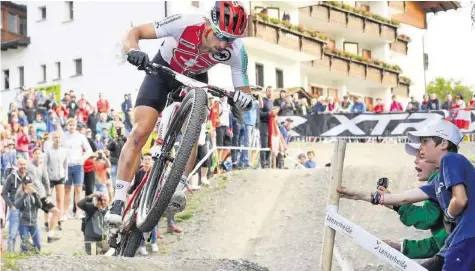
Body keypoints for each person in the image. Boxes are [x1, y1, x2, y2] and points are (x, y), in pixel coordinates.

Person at [106, 1, 253, 224]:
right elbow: (134, 32)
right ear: (208, 25)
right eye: (220, 36)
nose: (224, 44)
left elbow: (243, 86)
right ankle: (118, 199)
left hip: (195, 79)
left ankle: (179, 185)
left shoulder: (237, 50)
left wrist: (244, 98)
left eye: (230, 39)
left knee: (195, 126)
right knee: (140, 132)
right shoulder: (186, 22)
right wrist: (133, 51)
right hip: (162, 72)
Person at [337, 119, 475, 271]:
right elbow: (403, 198)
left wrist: (449, 216)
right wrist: (361, 195)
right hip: (457, 242)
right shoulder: (438, 183)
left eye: (424, 142)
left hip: (465, 239)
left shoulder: (450, 160)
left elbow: (458, 201)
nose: (419, 154)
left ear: (443, 144)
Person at [381, 142, 448, 260]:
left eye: (421, 156)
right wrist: (401, 247)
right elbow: (438, 243)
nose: (415, 161)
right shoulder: (445, 179)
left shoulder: (441, 182)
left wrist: (395, 203)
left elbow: (426, 219)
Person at [15, 175, 42, 252]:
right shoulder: (19, 193)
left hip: (33, 223)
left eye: (30, 183)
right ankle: (25, 245)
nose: (28, 185)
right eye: (26, 184)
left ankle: (29, 244)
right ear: (23, 184)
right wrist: (25, 194)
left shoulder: (35, 193)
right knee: (25, 249)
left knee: (38, 247)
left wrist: (35, 195)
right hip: (23, 223)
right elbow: (17, 206)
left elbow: (40, 205)